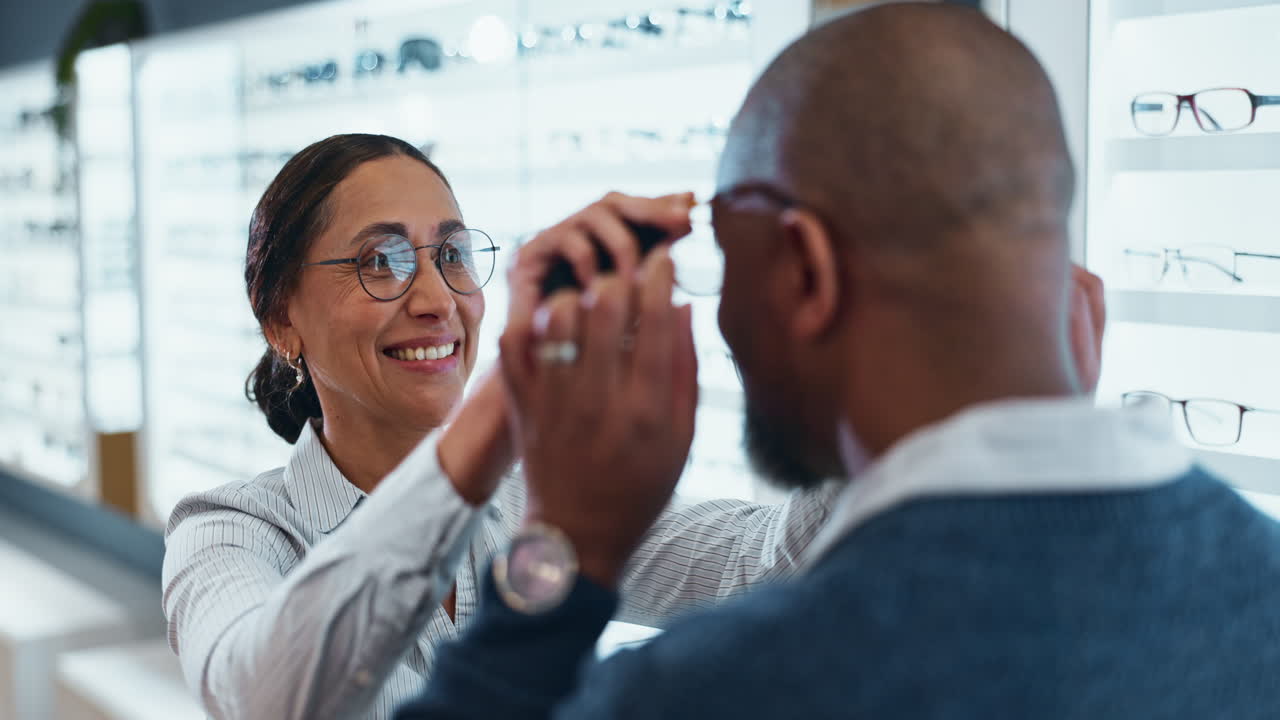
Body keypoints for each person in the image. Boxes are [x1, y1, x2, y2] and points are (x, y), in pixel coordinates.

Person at [396, 5, 1280, 719]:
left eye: (726, 262)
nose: (724, 321)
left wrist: (566, 546)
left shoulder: (719, 689)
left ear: (806, 270)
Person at [161, 134, 844, 720]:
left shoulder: (526, 507)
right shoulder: (231, 531)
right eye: (381, 262)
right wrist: (510, 398)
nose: (436, 301)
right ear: (280, 320)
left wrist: (851, 367)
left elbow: (764, 564)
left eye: (451, 255)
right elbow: (266, 695)